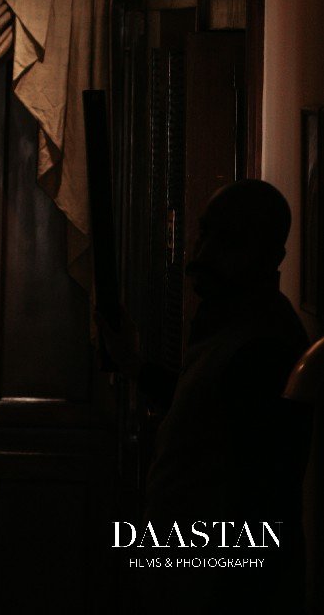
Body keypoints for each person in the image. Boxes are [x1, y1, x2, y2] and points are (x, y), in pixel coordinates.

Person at [103, 179, 312, 612]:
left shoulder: (263, 345)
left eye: (230, 239)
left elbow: (263, 503)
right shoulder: (230, 324)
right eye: (205, 232)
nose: (205, 251)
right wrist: (135, 366)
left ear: (271, 255)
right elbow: (202, 410)